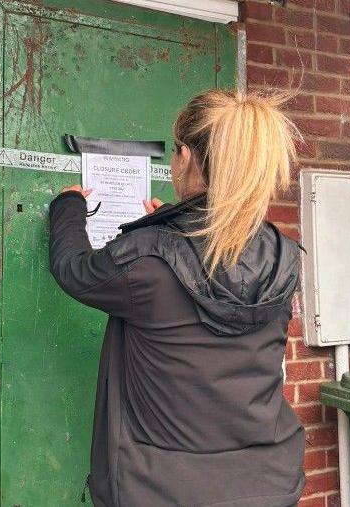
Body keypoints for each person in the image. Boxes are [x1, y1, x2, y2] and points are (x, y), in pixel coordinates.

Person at [49, 89, 305, 507]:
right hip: (268, 484)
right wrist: (168, 226)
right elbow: (213, 263)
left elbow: (75, 269)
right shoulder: (283, 255)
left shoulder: (147, 257)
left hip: (164, 491)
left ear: (185, 156)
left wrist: (68, 206)